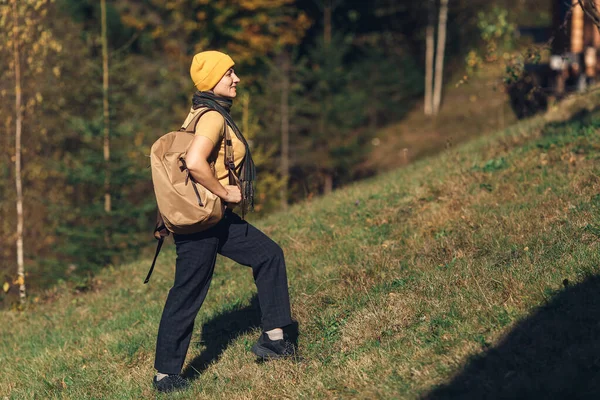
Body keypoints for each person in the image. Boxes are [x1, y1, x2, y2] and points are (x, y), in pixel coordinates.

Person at [152, 50, 295, 393]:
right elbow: (195, 161)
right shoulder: (212, 117)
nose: (236, 79)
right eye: (229, 73)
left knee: (268, 254)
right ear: (212, 80)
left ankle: (274, 339)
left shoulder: (200, 111)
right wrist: (227, 192)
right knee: (188, 293)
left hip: (216, 219)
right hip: (203, 222)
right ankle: (165, 375)